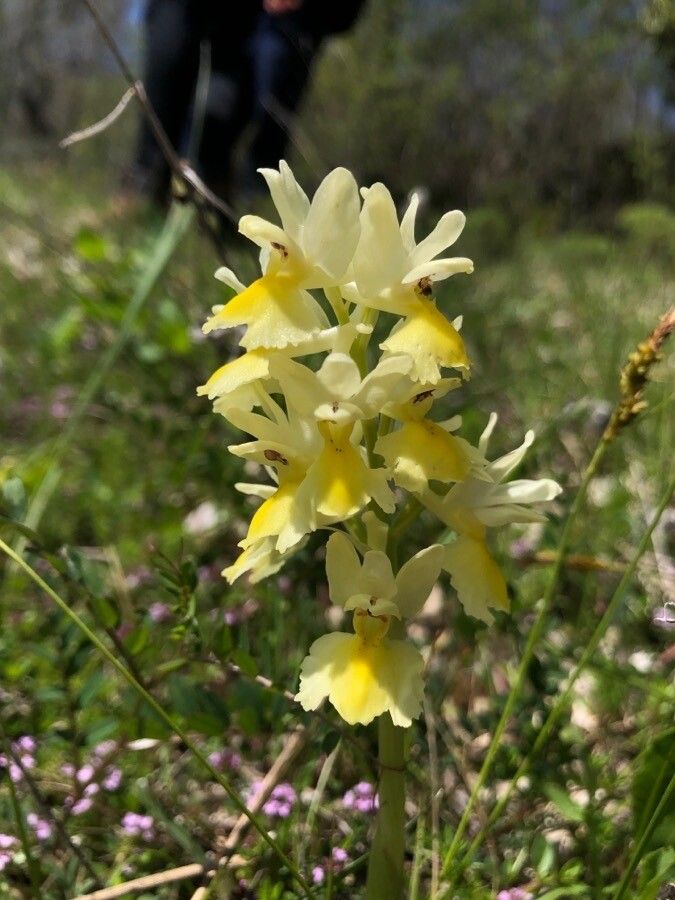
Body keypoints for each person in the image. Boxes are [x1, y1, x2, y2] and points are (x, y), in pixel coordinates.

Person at [129, 0, 366, 205]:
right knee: (209, 109)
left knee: (269, 109)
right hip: (232, 25)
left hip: (285, 27)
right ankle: (159, 188)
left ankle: (248, 204)